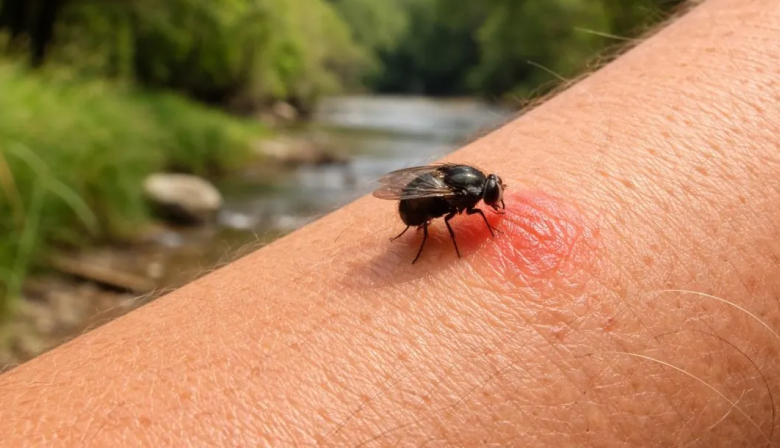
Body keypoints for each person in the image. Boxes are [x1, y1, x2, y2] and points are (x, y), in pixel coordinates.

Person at [1, 0, 778, 445]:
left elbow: (443, 187)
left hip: (419, 191)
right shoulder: (455, 198)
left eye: (485, 197)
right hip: (417, 200)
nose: (490, 205)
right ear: (475, 194)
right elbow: (432, 201)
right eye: (488, 198)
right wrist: (423, 229)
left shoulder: (468, 186)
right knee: (432, 226)